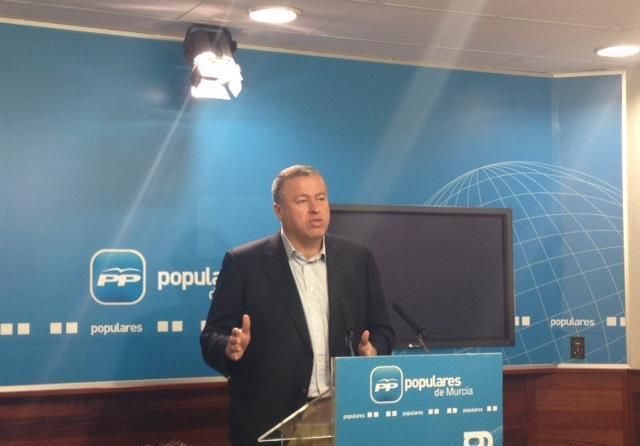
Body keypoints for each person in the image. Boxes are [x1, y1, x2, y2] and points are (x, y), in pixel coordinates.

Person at [200, 165, 395, 446]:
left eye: (321, 198)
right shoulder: (244, 264)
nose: (315, 209)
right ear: (279, 211)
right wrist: (229, 349)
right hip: (271, 422)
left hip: (343, 417)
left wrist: (374, 349)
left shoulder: (357, 259)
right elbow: (211, 337)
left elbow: (383, 329)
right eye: (302, 201)